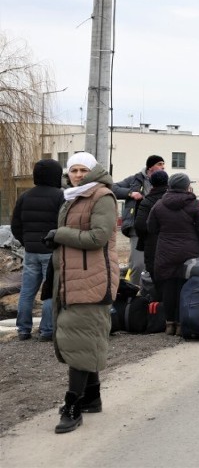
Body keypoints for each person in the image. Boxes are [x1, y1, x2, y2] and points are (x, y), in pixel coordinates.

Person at [46, 152, 119, 434]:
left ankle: (73, 406)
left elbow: (98, 237)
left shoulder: (101, 196)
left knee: (78, 339)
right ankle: (92, 397)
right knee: (83, 338)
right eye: (73, 170)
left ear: (92, 171)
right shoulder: (74, 197)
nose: (77, 174)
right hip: (72, 278)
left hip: (93, 279)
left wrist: (59, 234)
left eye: (82, 170)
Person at [147, 173, 199, 334]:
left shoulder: (159, 204)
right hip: (190, 252)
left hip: (166, 251)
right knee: (186, 287)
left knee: (169, 286)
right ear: (186, 186)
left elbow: (151, 227)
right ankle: (183, 323)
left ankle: (170, 324)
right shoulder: (194, 204)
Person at [11, 159, 64, 342]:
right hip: (52, 251)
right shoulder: (60, 196)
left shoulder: (24, 196)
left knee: (27, 291)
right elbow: (63, 224)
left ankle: (23, 330)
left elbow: (15, 225)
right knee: (50, 290)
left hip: (30, 251)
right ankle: (46, 331)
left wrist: (26, 242)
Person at [113, 154, 165, 284]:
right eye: (159, 164)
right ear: (150, 167)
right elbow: (112, 188)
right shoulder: (135, 179)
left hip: (159, 228)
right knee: (138, 265)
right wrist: (130, 193)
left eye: (163, 164)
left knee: (157, 263)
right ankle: (134, 293)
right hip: (137, 227)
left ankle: (151, 294)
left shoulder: (165, 181)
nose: (163, 167)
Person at [133, 170, 169, 288]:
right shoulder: (173, 198)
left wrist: (146, 238)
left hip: (153, 247)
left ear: (152, 183)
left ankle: (157, 304)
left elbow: (140, 225)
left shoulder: (147, 201)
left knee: (157, 283)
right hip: (174, 247)